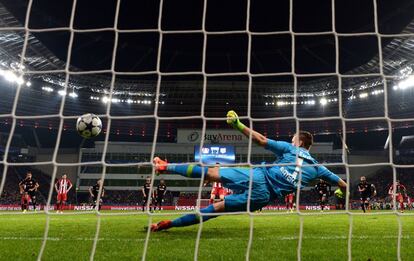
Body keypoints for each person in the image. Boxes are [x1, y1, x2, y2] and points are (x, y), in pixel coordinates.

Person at [149, 110, 347, 232]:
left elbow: (260, 140)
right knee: (215, 209)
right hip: (263, 196)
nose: (291, 140)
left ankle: (165, 167)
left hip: (259, 176)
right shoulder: (318, 168)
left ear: (300, 142)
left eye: (293, 138)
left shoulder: (290, 148)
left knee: (210, 172)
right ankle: (170, 224)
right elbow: (343, 184)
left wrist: (238, 124)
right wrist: (341, 193)